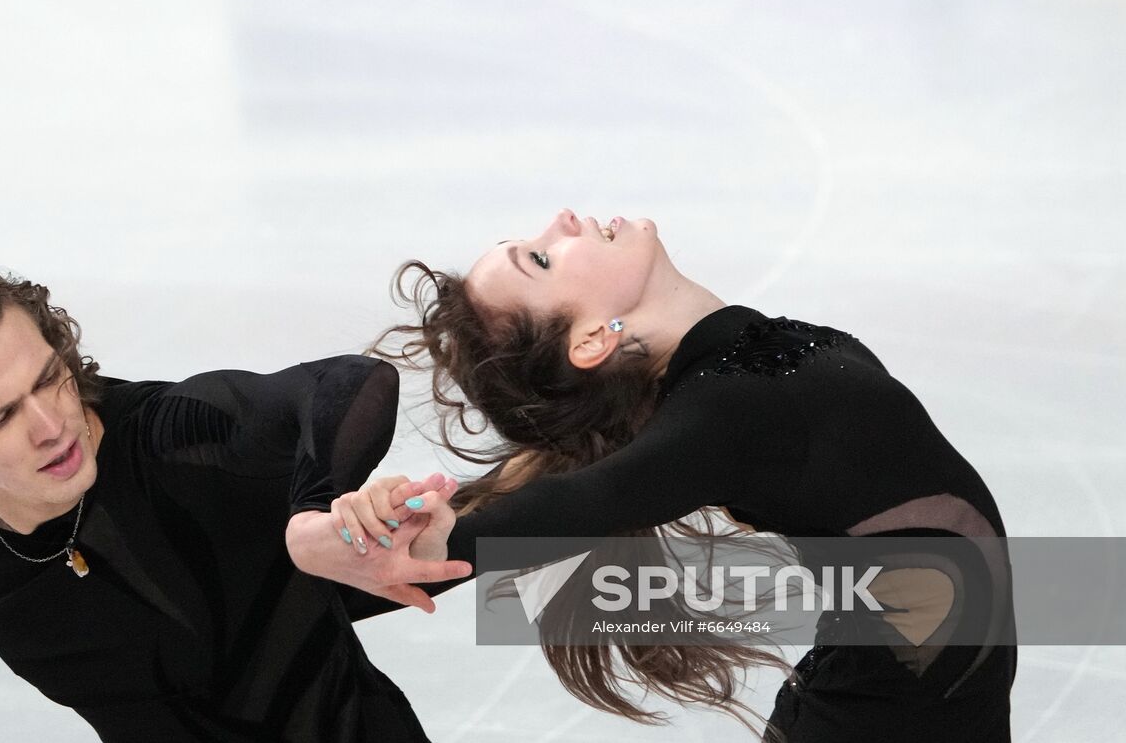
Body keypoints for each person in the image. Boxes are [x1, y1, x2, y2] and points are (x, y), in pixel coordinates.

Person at [287, 209, 1016, 742]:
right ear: (591, 338)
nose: (562, 220)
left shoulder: (735, 378)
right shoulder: (727, 410)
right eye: (541, 259)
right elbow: (587, 498)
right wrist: (371, 548)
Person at [0, 240, 470, 743]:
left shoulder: (168, 442)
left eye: (49, 376)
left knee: (535, 539)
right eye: (1, 416)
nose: (50, 424)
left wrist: (309, 513)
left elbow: (354, 384)